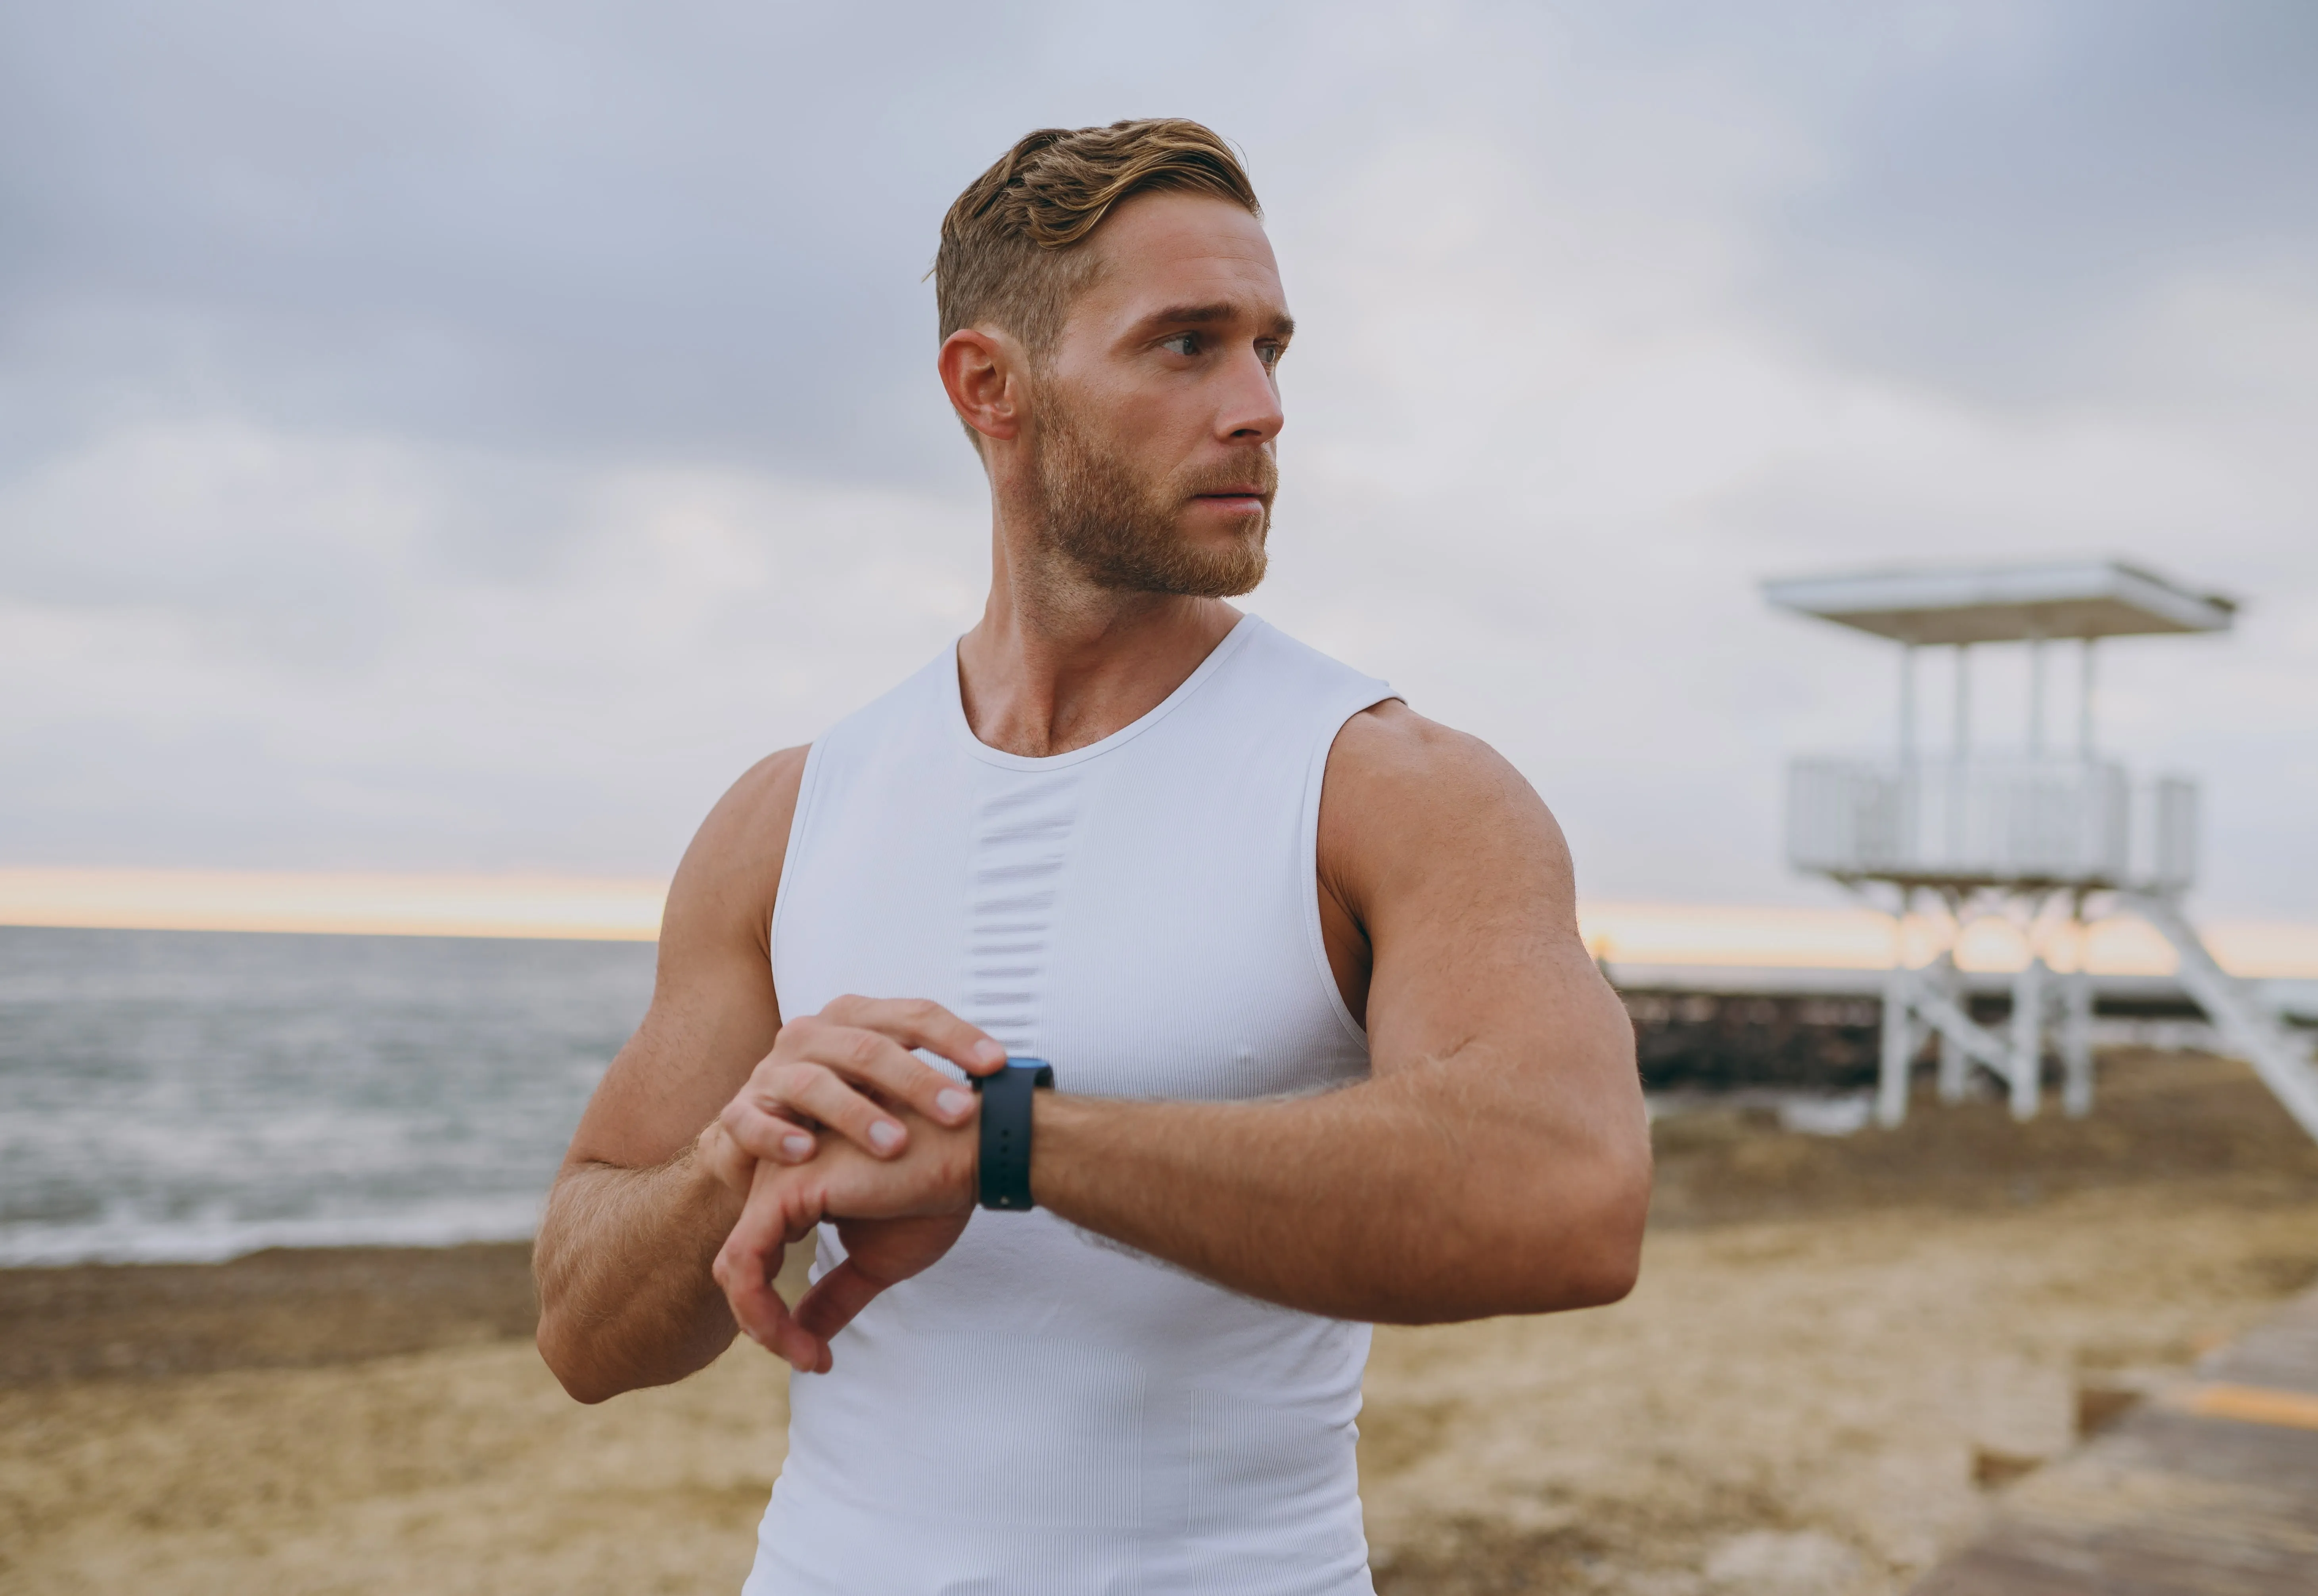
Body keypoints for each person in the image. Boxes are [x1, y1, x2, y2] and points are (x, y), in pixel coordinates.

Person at [533, 117, 1651, 1594]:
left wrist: (1010, 1143)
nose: (1259, 406)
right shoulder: (791, 815)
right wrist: (729, 1161)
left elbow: (1571, 1195)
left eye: (1271, 348)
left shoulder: (1386, 785)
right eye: (1188, 345)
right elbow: (584, 1333)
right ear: (991, 388)